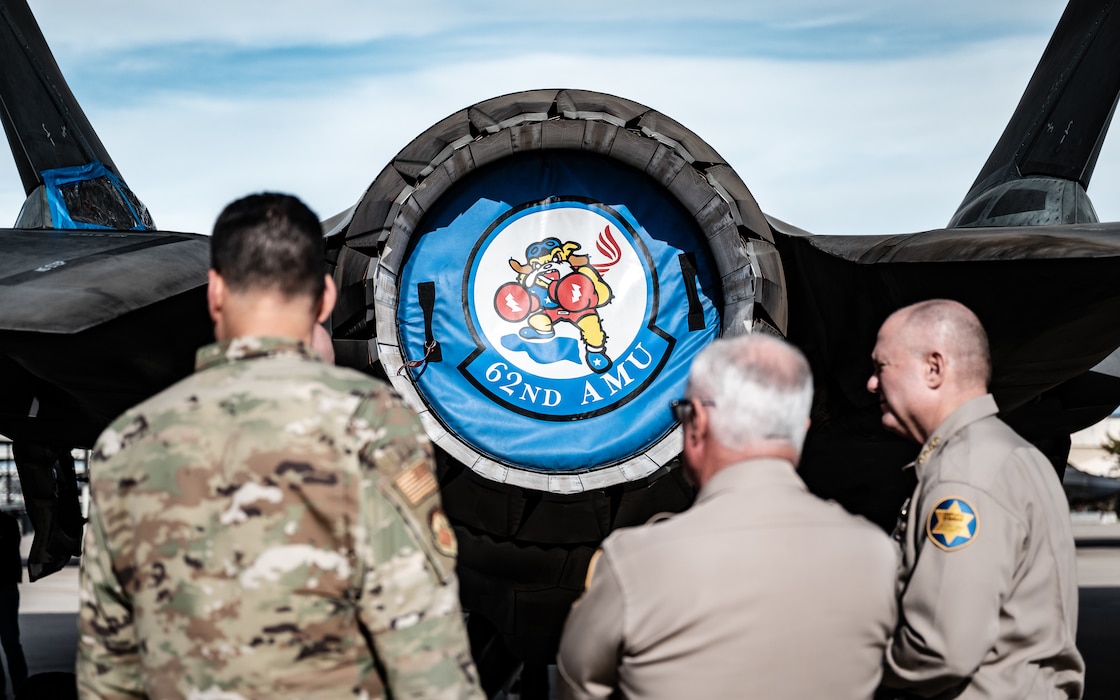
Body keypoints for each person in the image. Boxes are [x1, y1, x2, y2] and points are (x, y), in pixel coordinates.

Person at [76, 193, 483, 699]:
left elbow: (108, 669)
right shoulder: (370, 424)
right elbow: (422, 645)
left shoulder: (126, 443)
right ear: (326, 299)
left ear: (215, 292)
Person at [557, 334, 897, 700]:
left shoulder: (635, 564)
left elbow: (577, 689)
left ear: (698, 422)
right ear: (802, 429)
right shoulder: (877, 555)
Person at [868, 299, 1084, 699]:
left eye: (882, 367)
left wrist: (853, 661)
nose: (872, 383)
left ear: (934, 368)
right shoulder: (1011, 453)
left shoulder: (963, 476)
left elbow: (940, 649)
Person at [0, 512, 26, 700]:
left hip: (5, 588)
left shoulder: (6, 523)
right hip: (6, 588)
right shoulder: (7, 522)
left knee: (10, 642)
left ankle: (20, 688)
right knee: (11, 642)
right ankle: (19, 688)